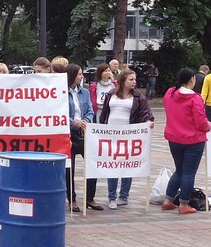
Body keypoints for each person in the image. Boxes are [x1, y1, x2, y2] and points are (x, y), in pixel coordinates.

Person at [97, 69, 154, 209]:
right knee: (112, 165)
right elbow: (105, 113)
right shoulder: (111, 94)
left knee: (127, 165)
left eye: (135, 79)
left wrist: (148, 122)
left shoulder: (138, 97)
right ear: (123, 81)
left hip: (129, 135)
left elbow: (146, 113)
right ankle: (111, 197)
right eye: (131, 79)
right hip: (111, 134)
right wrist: (101, 129)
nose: (134, 82)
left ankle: (123, 196)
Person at [162, 68, 211, 214]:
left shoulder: (170, 93)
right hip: (193, 140)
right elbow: (201, 122)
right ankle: (184, 204)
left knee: (179, 170)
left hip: (174, 138)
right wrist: (209, 126)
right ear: (191, 80)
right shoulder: (195, 98)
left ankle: (168, 200)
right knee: (189, 172)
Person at [66, 64, 102, 212]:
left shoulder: (85, 92)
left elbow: (90, 110)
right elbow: (58, 113)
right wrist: (72, 121)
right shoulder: (61, 92)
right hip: (68, 132)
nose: (82, 77)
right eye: (80, 74)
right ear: (72, 75)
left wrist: (86, 120)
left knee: (93, 165)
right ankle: (72, 199)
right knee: (70, 168)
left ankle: (89, 198)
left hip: (84, 132)